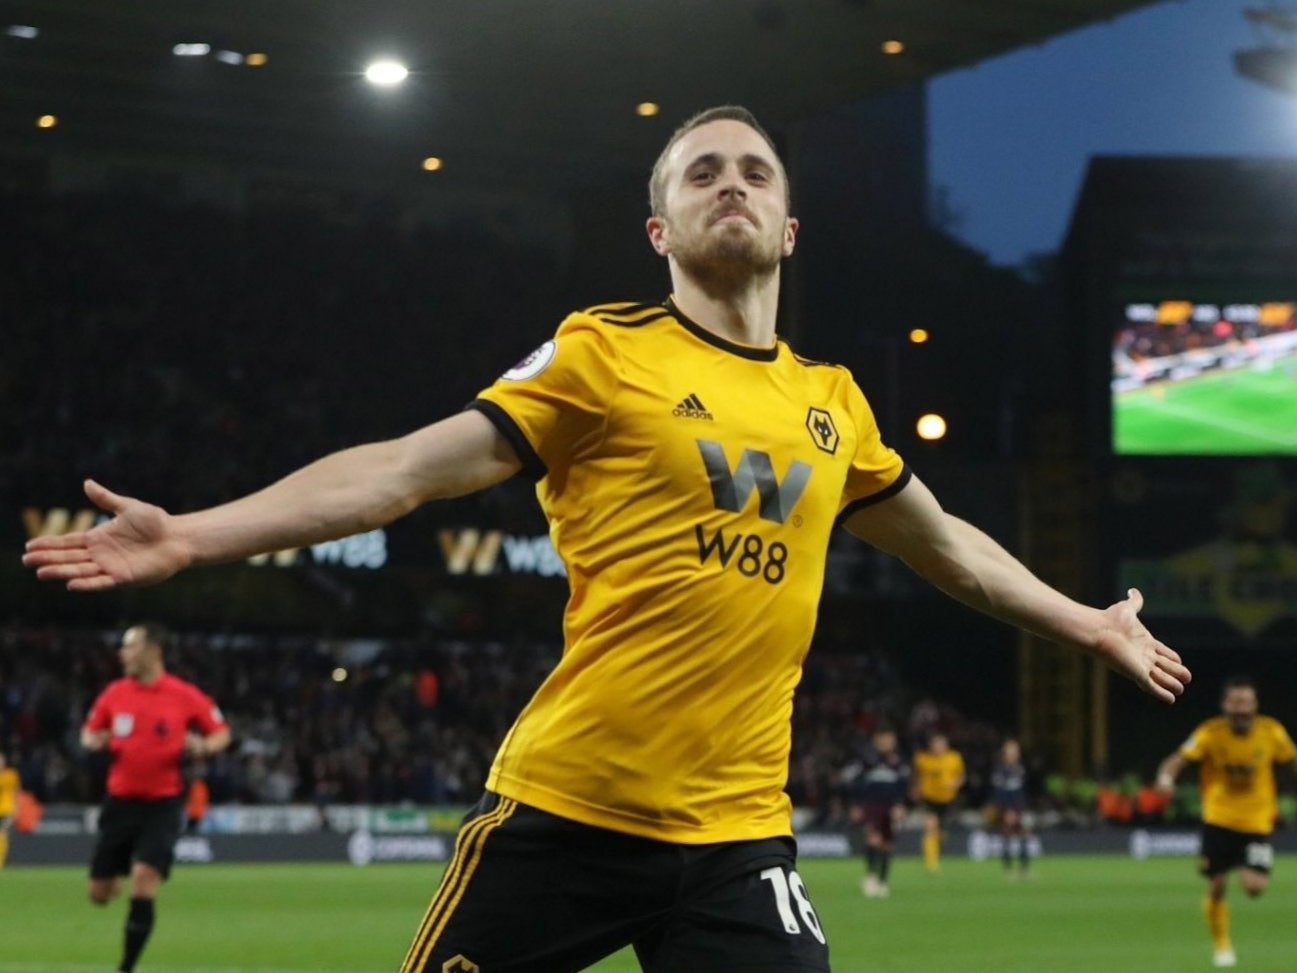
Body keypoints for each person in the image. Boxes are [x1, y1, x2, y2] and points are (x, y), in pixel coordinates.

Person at [24, 105, 1191, 973]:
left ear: (791, 225)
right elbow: (400, 473)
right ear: (658, 225)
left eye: (752, 171)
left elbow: (949, 549)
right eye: (700, 172)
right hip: (569, 812)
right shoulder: (602, 353)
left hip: (742, 837)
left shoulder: (834, 402)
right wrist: (192, 537)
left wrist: (1085, 618)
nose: (728, 183)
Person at [80, 623, 231, 973]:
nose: (123, 654)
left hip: (162, 805)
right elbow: (89, 730)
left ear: (154, 652)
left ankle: (126, 967)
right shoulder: (114, 693)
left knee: (144, 880)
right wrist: (93, 740)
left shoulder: (183, 695)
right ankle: (113, 877)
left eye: (130, 647)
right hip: (119, 804)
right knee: (99, 894)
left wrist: (204, 746)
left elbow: (221, 733)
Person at [1155, 675, 1296, 969]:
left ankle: (1239, 865)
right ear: (1225, 705)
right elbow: (1177, 759)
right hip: (1219, 819)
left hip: (1257, 821)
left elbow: (1292, 761)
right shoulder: (1210, 733)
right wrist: (1166, 778)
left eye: (1245, 702)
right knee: (1217, 885)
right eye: (1235, 702)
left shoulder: (1272, 732)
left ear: (1255, 705)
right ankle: (1222, 946)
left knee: (1255, 887)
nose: (1240, 709)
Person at [843, 725, 909, 898]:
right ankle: (871, 876)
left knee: (887, 844)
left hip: (891, 806)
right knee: (873, 840)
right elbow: (851, 781)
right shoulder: (866, 759)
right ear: (876, 739)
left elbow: (904, 785)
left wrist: (902, 805)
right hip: (871, 805)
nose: (887, 741)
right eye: (884, 738)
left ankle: (883, 881)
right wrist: (855, 805)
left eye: (890, 738)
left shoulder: (899, 760)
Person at [912, 732, 965, 873]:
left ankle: (935, 851)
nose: (938, 747)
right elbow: (915, 775)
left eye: (941, 744)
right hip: (930, 799)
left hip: (948, 800)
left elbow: (960, 776)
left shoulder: (954, 758)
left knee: (940, 833)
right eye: (936, 744)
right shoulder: (922, 759)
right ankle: (931, 864)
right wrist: (916, 789)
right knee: (930, 826)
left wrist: (954, 784)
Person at [988, 738, 1031, 877]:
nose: (1013, 752)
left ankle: (1024, 868)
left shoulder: (1020, 768)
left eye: (1015, 749)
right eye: (1010, 749)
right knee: (1006, 834)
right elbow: (999, 791)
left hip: (1019, 807)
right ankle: (1008, 868)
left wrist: (1020, 808)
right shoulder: (1000, 770)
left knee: (1024, 835)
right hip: (1006, 807)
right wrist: (1006, 810)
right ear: (1005, 752)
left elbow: (1021, 790)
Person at [0, 749, 19, 869]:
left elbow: (16, 792)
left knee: (2, 835)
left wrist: (16, 808)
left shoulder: (11, 775)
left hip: (6, 810)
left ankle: (1, 861)